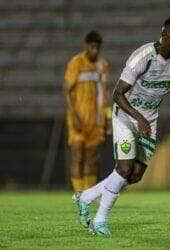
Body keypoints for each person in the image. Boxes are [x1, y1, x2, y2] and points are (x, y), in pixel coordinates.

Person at [74, 17, 170, 235]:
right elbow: (117, 94)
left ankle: (85, 197)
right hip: (126, 116)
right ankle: (99, 221)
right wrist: (139, 118)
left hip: (149, 120)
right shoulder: (144, 57)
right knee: (124, 168)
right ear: (164, 36)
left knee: (134, 175)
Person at [64, 31, 111, 192]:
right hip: (78, 119)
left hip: (96, 121)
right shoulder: (76, 63)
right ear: (86, 46)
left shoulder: (102, 65)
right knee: (78, 156)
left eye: (97, 48)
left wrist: (108, 119)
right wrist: (75, 117)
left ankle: (88, 194)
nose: (95, 51)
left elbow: (105, 95)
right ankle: (78, 195)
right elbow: (67, 91)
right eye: (92, 47)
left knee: (92, 159)